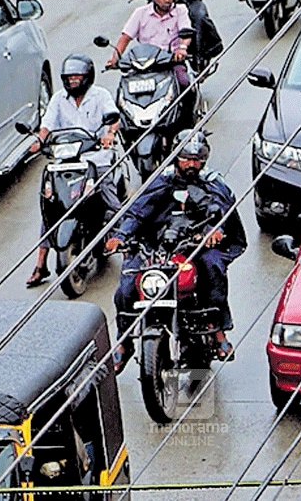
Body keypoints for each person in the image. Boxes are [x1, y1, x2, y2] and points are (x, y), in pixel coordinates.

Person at [105, 131, 247, 370]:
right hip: (157, 246)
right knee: (128, 282)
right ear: (176, 157)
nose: (191, 164)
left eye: (197, 158)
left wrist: (214, 231)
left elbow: (219, 211)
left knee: (213, 267)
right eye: (185, 158)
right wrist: (121, 236)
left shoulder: (213, 183)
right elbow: (138, 212)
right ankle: (125, 340)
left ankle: (218, 331)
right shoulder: (161, 181)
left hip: (195, 246)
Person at [27, 55, 122, 286]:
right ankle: (40, 265)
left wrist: (109, 134)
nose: (73, 82)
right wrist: (39, 141)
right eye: (69, 78)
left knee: (111, 199)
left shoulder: (101, 96)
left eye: (77, 77)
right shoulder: (58, 99)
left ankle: (128, 244)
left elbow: (114, 119)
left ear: (87, 77)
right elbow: (46, 126)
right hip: (66, 160)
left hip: (96, 158)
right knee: (50, 204)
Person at [111, 0, 193, 85]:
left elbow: (186, 32)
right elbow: (125, 37)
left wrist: (182, 48)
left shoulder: (181, 10)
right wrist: (115, 58)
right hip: (145, 63)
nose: (167, 0)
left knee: (183, 82)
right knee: (125, 87)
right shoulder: (140, 13)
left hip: (171, 61)